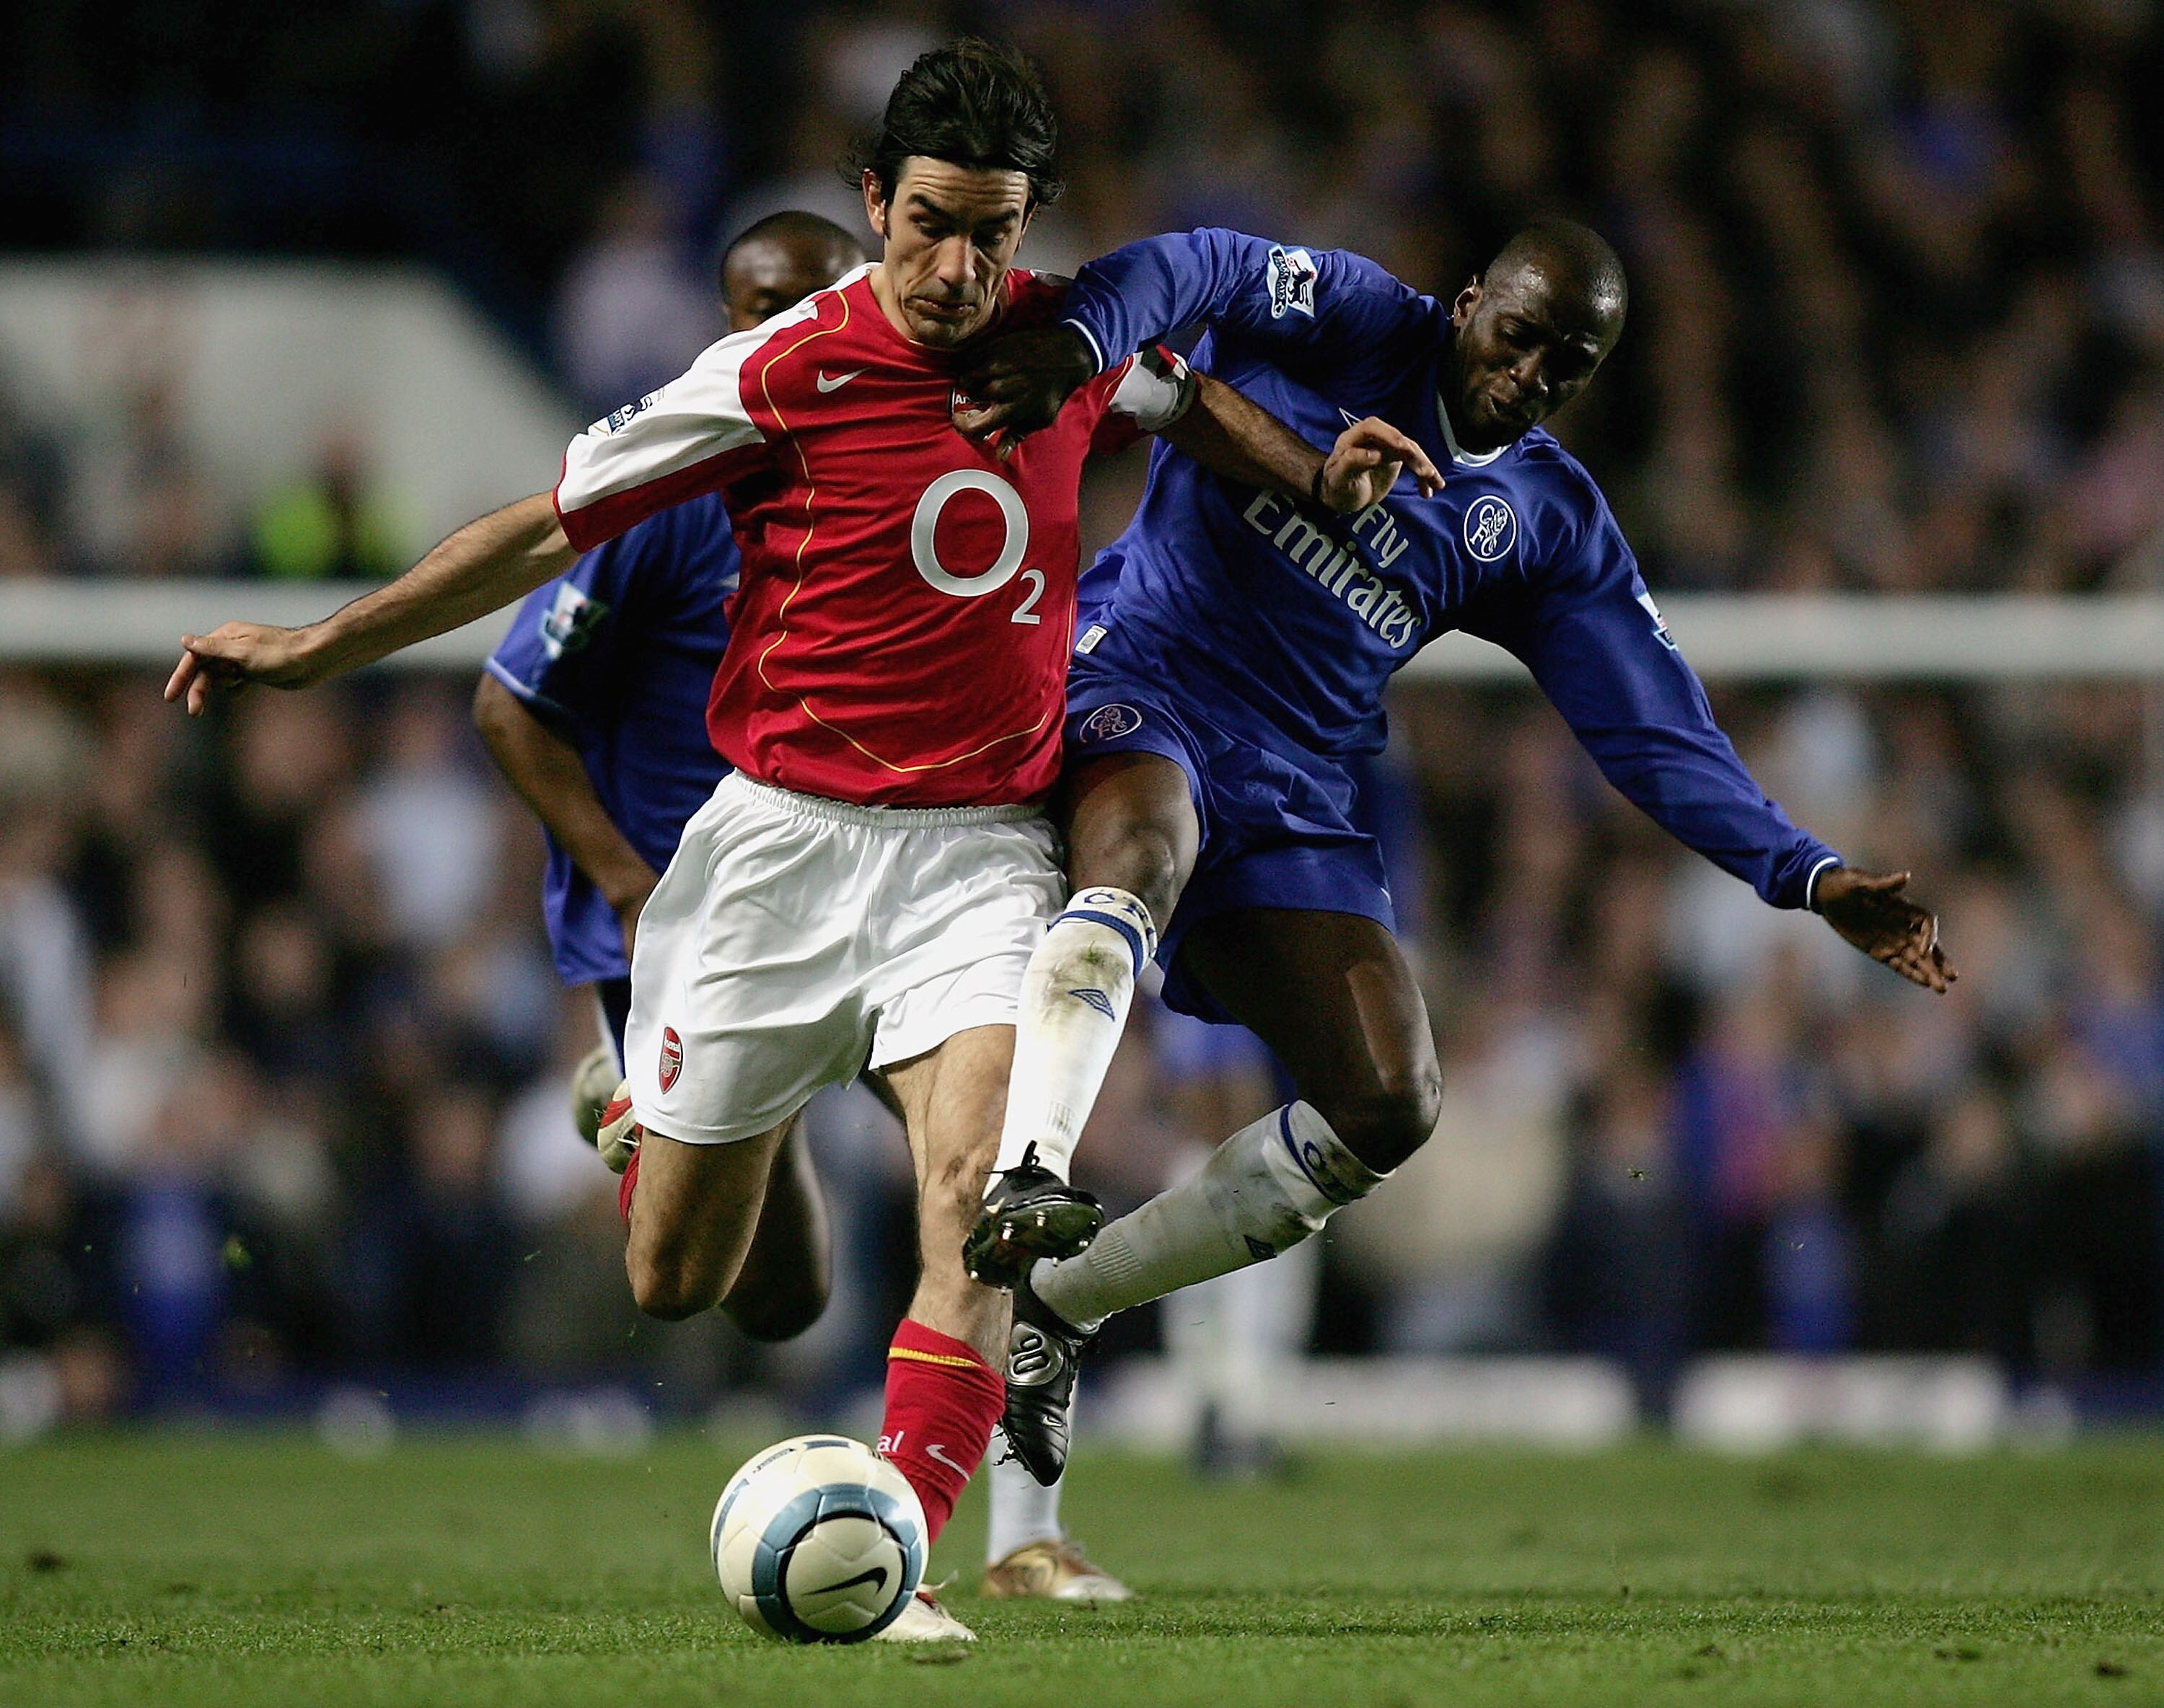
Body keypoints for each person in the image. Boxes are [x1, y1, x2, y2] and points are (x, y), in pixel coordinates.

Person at [164, 40, 1433, 1639]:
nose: (958, 269)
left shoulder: (1065, 338)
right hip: (772, 855)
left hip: (980, 852)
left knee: (984, 1196)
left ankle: (892, 1538)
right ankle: (646, 1108)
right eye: (926, 225)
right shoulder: (780, 368)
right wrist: (315, 644)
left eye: (993, 231)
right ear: (870, 202)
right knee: (677, 1281)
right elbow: (537, 527)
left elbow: (1188, 401)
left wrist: (1314, 467)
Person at [946, 218, 1958, 1483]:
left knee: (1389, 1101)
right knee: (1145, 842)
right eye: (1520, 333)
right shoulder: (1360, 322)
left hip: (1297, 783)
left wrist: (1801, 871)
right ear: (1472, 301)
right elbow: (1198, 261)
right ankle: (1028, 1177)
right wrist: (1091, 337)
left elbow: (1651, 723)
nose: (1530, 372)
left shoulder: (1542, 520)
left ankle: (1067, 1303)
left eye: (1567, 365)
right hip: (1143, 671)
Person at [473, 207, 1131, 1603]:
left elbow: (1159, 393)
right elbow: (512, 697)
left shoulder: (930, 421)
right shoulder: (675, 503)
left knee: (985, 1190)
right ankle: (645, 1095)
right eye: (747, 308)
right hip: (727, 905)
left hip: (952, 865)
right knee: (743, 1291)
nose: (772, 327)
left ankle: (924, 1552)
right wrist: (618, 876)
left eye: (796, 300)